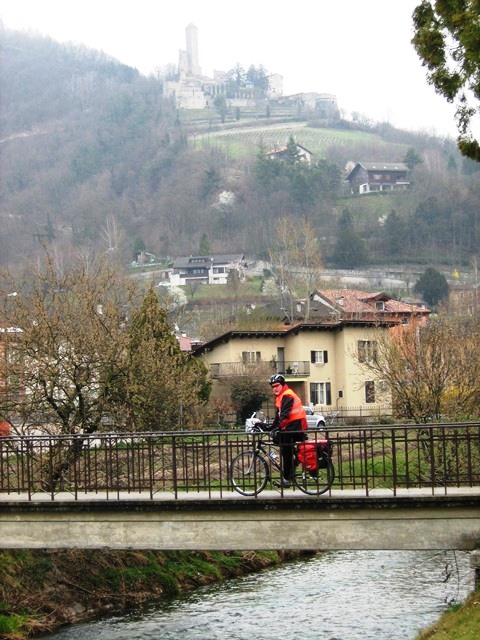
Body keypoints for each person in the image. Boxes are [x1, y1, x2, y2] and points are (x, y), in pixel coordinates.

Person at [269, 374, 308, 488]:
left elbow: (285, 415)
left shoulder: (287, 395)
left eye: (277, 386)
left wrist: (278, 428)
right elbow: (278, 417)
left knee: (286, 452)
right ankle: (291, 470)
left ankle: (286, 479)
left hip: (297, 427)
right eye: (273, 387)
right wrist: (271, 427)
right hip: (292, 427)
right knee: (285, 448)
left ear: (282, 385)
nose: (274, 388)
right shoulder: (280, 397)